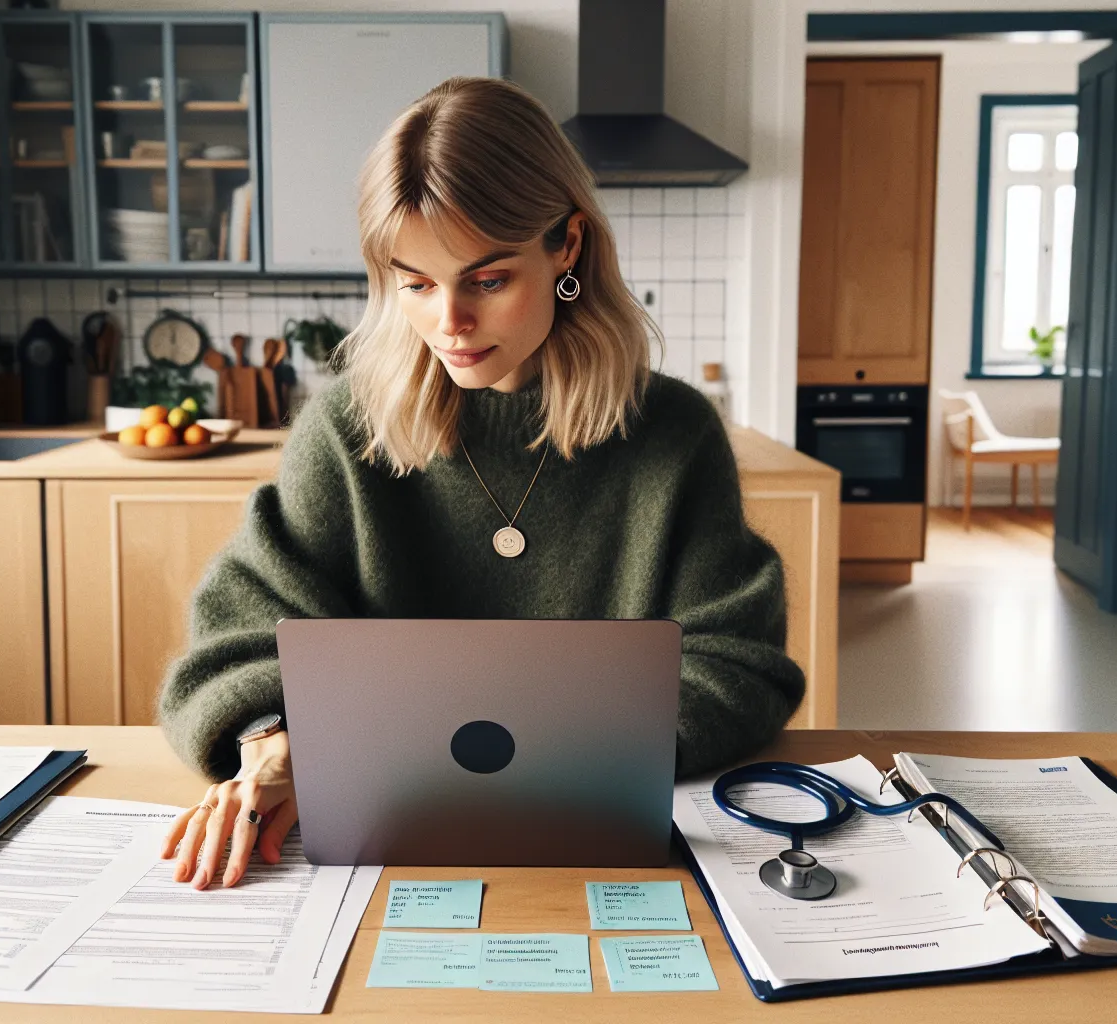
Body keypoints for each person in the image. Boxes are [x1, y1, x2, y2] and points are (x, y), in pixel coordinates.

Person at [158, 76, 805, 890]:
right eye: (416, 283)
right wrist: (272, 739)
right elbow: (238, 634)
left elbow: (740, 655)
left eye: (488, 280)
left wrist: (588, 758)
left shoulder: (673, 436)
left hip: (611, 850)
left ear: (567, 246)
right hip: (379, 856)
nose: (448, 323)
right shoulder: (344, 432)